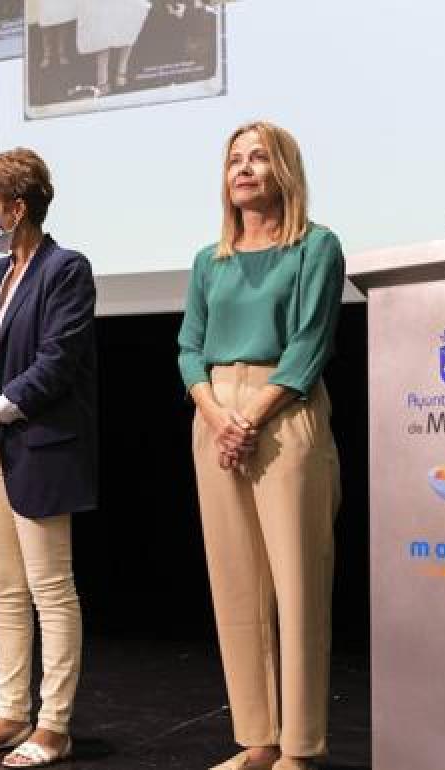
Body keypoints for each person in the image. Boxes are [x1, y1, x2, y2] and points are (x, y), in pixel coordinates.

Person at [177, 122, 344, 770]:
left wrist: (248, 417)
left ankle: (299, 748)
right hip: (215, 414)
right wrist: (216, 413)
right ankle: (258, 739)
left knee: (297, 588)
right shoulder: (208, 259)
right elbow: (189, 346)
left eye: (257, 158)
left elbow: (309, 344)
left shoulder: (316, 247)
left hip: (283, 411)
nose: (243, 169)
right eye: (234, 161)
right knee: (236, 587)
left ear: (285, 171)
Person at [0, 148, 96, 768]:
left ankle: (54, 725)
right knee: (4, 589)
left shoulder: (67, 270)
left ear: (16, 207)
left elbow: (56, 363)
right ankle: (11, 713)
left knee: (50, 589)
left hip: (39, 448)